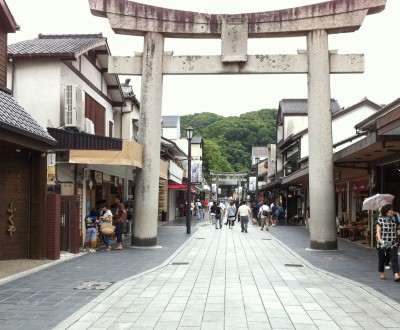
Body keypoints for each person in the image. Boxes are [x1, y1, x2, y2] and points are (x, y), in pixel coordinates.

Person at [376, 203, 400, 281]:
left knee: (394, 258)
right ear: (386, 211)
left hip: (393, 242)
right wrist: (380, 240)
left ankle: (396, 274)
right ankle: (382, 273)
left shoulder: (395, 219)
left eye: (392, 210)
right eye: (390, 210)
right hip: (382, 243)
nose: (392, 211)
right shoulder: (380, 219)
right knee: (382, 258)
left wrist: (396, 213)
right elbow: (378, 231)